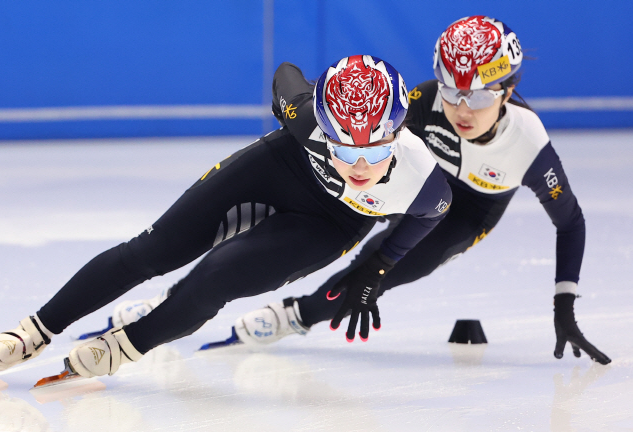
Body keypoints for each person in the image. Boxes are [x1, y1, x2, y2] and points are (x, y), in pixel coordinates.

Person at [113, 16, 611, 364]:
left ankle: (295, 317)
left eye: (478, 95)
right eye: (450, 87)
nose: (460, 106)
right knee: (280, 230)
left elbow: (571, 222)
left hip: (466, 210)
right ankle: (179, 298)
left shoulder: (527, 142)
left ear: (507, 89)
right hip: (405, 185)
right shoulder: (423, 100)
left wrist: (564, 303)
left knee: (377, 275)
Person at [0, 55, 452, 382]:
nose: (361, 165)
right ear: (324, 125)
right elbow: (287, 72)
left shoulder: (424, 183)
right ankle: (36, 329)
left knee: (216, 277)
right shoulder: (304, 120)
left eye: (378, 147)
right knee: (150, 251)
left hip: (330, 223)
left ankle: (124, 348)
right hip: (281, 168)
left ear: (400, 129)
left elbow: (427, 219)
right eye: (345, 146)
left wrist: (379, 265)